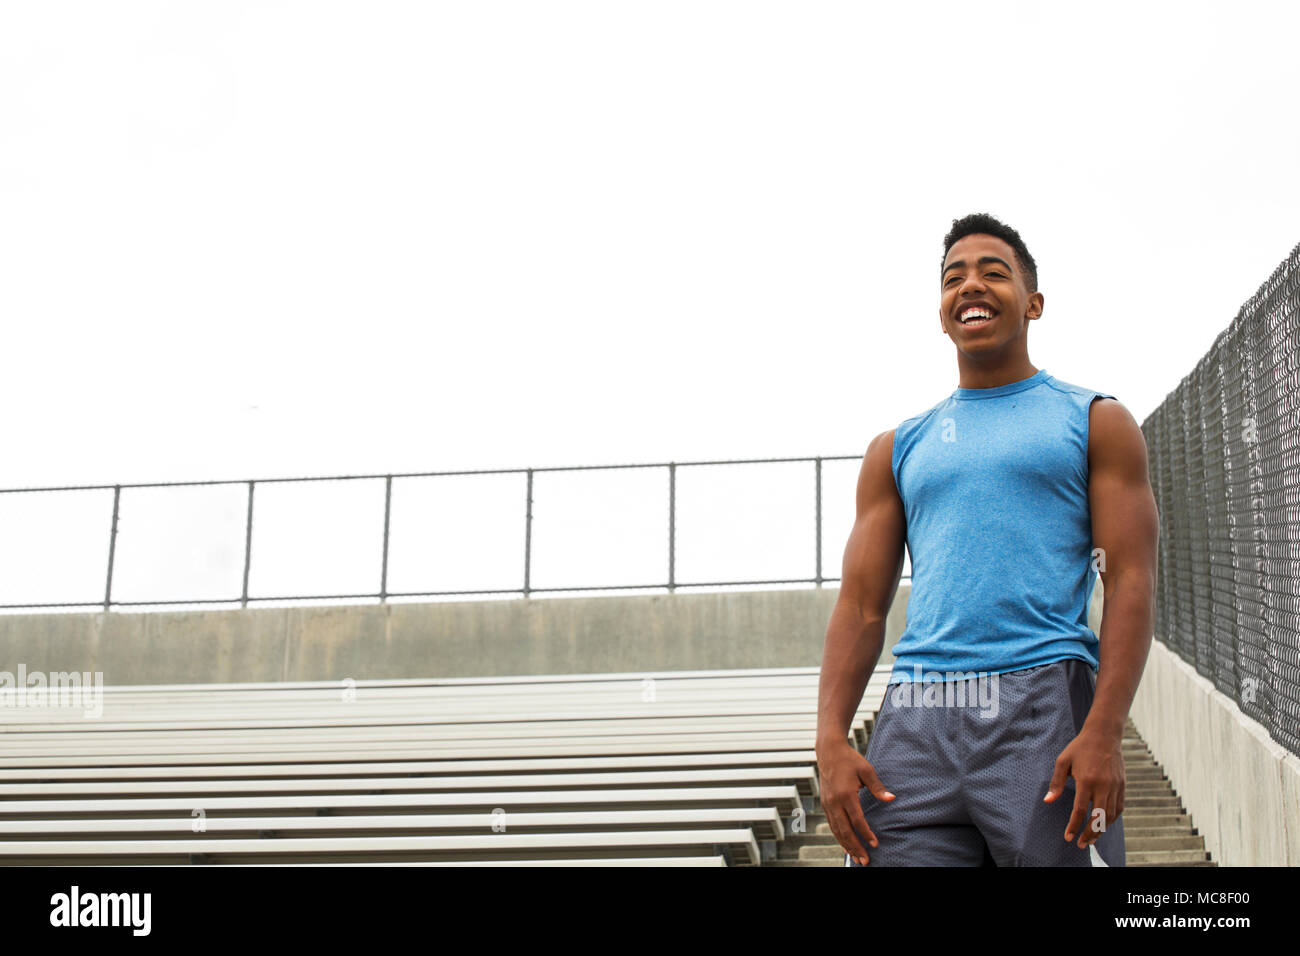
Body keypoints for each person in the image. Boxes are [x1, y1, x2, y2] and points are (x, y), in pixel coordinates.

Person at [815, 212, 1158, 866]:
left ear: (1033, 303)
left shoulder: (1096, 421)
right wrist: (830, 738)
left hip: (1043, 704)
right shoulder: (896, 449)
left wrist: (1105, 730)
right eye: (954, 279)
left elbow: (1131, 581)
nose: (970, 285)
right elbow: (860, 606)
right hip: (916, 713)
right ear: (942, 314)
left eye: (992, 273)